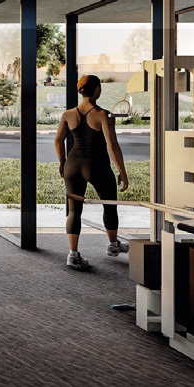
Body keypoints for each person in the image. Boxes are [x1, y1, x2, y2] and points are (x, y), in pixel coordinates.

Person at [53, 75, 129, 270]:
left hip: (73, 165)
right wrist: (122, 171)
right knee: (109, 204)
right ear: (96, 90)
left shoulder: (68, 114)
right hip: (96, 166)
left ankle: (73, 254)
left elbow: (58, 140)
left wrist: (62, 162)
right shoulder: (103, 115)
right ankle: (113, 245)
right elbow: (112, 146)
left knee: (74, 211)